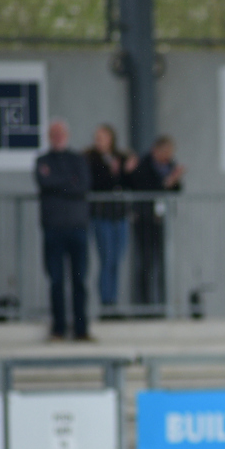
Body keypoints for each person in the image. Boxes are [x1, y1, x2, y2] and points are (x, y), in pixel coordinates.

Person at [35, 120, 92, 342]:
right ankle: (58, 328)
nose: (58, 136)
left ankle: (81, 329)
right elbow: (44, 183)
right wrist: (68, 181)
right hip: (53, 227)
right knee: (56, 280)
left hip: (77, 227)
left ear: (67, 135)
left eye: (61, 133)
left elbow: (82, 186)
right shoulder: (43, 160)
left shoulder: (77, 159)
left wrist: (57, 183)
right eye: (54, 133)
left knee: (79, 280)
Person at [127, 135, 184, 312]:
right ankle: (144, 306)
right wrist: (168, 181)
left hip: (161, 221)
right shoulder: (143, 165)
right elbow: (144, 187)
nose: (168, 156)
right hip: (144, 220)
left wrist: (173, 181)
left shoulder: (170, 166)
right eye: (165, 152)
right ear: (156, 150)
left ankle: (160, 304)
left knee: (161, 263)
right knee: (145, 264)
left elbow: (177, 189)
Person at [85, 124, 137, 318]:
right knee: (106, 260)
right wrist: (112, 172)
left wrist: (128, 170)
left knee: (117, 260)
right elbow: (96, 184)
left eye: (103, 137)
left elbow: (129, 184)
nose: (99, 141)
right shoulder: (91, 159)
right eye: (97, 137)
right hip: (102, 216)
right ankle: (106, 304)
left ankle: (113, 302)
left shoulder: (121, 158)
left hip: (120, 215)